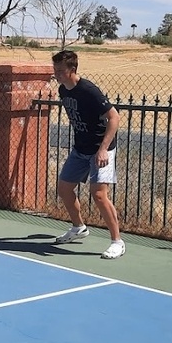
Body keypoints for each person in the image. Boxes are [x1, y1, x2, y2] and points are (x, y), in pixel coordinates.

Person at [51, 49, 125, 259]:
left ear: (72, 70)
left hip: (101, 150)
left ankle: (117, 242)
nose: (56, 74)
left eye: (60, 70)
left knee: (99, 195)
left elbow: (114, 117)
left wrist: (103, 149)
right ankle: (78, 227)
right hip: (80, 149)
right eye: (54, 70)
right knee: (64, 189)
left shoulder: (89, 90)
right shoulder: (63, 91)